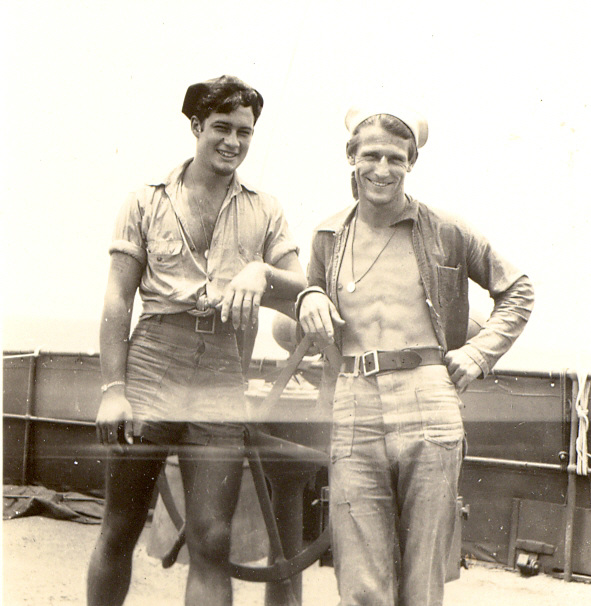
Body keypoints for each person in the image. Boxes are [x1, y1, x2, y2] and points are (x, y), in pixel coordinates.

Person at [297, 104, 534, 606]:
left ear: (411, 163)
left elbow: (517, 290)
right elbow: (311, 291)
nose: (382, 169)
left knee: (422, 578)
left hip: (428, 396)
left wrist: (478, 353)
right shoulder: (327, 235)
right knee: (360, 580)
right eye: (371, 156)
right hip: (355, 400)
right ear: (350, 157)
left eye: (395, 158)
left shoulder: (446, 229)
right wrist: (309, 296)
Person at [87, 75, 306, 606]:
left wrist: (260, 272)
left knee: (212, 537)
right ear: (195, 126)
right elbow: (119, 299)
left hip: (222, 375)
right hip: (152, 365)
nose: (234, 143)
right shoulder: (144, 202)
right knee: (120, 526)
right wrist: (113, 389)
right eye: (222, 128)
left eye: (245, 133)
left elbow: (300, 289)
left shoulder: (266, 210)